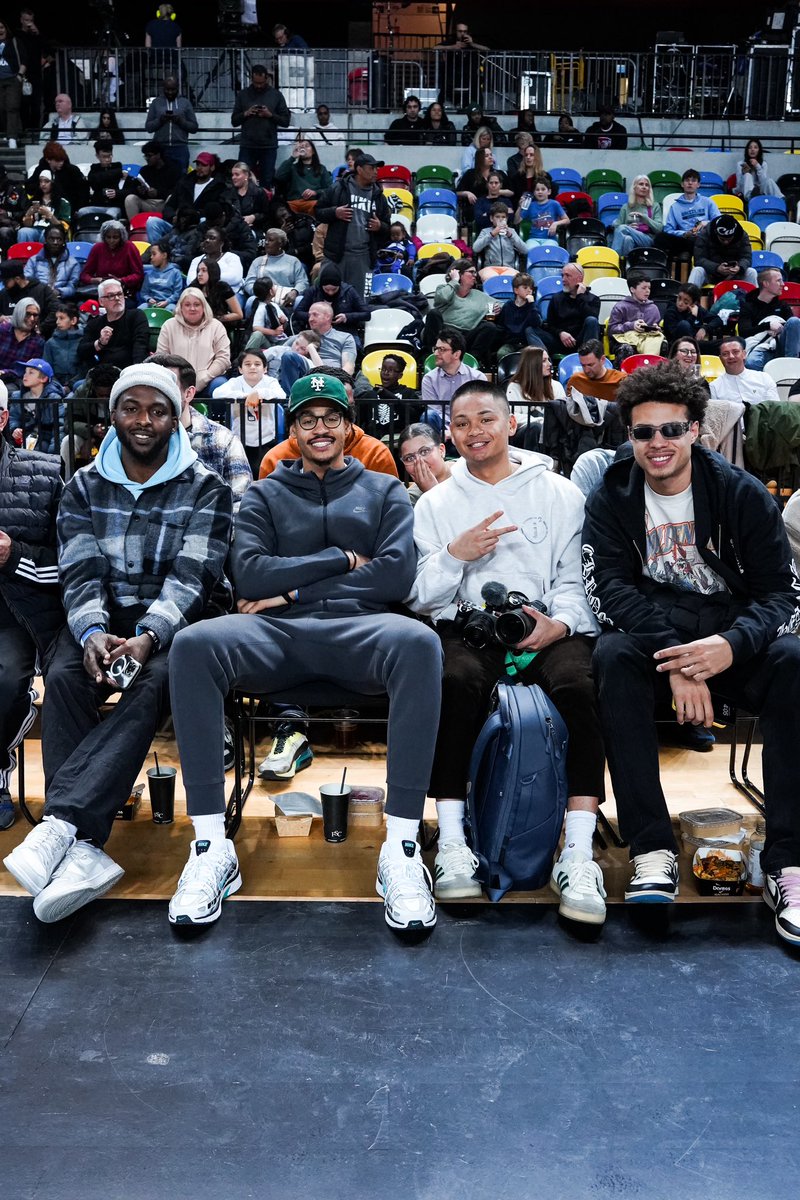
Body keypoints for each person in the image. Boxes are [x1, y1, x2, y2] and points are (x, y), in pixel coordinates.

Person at [167, 371, 443, 931]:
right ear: (291, 430)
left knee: (421, 642)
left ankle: (404, 849)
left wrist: (289, 587)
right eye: (307, 419)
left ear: (349, 426)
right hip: (278, 634)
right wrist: (341, 560)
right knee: (193, 644)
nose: (320, 428)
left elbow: (394, 576)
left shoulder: (385, 489)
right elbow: (248, 573)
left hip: (360, 631)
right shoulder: (264, 493)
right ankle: (209, 847)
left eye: (331, 418)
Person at [3, 363, 233, 925]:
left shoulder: (207, 487)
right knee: (62, 677)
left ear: (176, 418)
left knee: (153, 683)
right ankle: (82, 853)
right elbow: (79, 573)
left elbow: (193, 578)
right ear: (113, 416)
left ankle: (65, 830)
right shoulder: (82, 485)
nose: (144, 421)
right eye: (132, 408)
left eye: (158, 410)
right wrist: (90, 632)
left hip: (182, 623)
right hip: (103, 619)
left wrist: (150, 636)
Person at [582, 361, 800, 944]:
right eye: (643, 432)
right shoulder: (612, 495)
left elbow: (781, 593)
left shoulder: (740, 493)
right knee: (610, 655)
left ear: (696, 431)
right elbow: (613, 592)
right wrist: (681, 661)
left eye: (672, 430)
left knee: (795, 662)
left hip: (731, 642)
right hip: (662, 644)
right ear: (628, 437)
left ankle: (788, 863)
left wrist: (728, 648)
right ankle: (652, 848)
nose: (657, 444)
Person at [408, 382, 607, 924]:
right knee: (450, 682)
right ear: (450, 432)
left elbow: (576, 577)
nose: (475, 431)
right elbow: (420, 595)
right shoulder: (436, 504)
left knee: (583, 685)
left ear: (511, 423)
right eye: (463, 422)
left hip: (546, 625)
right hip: (467, 627)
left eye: (486, 419)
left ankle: (579, 852)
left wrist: (560, 622)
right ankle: (451, 843)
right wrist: (456, 555)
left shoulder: (560, 493)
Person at [0, 382, 63, 829]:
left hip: (16, 608)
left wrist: (12, 554)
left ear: (2, 418)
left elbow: (69, 563)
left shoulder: (44, 473)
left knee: (4, 677)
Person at [149, 352, 252, 512]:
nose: (156, 396)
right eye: (150, 388)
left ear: (189, 393)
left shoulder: (223, 440)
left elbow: (241, 504)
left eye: (167, 388)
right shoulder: (129, 440)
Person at [258, 368, 398, 480]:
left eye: (332, 417)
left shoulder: (375, 453)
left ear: (347, 422)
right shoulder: (275, 459)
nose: (321, 429)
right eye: (309, 421)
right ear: (293, 428)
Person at [316, 153, 391, 297]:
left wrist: (380, 226)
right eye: (372, 168)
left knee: (363, 301)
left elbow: (388, 227)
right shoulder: (338, 188)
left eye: (377, 168)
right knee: (326, 298)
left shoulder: (378, 195)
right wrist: (334, 212)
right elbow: (318, 211)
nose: (376, 172)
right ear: (359, 169)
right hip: (336, 256)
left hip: (363, 258)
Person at [211, 348, 284, 476]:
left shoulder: (270, 382)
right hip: (240, 440)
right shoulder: (235, 382)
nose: (252, 367)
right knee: (242, 475)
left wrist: (259, 394)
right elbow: (216, 393)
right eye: (247, 364)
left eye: (257, 364)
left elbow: (281, 395)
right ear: (240, 369)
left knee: (263, 474)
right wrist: (245, 396)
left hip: (265, 439)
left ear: (265, 368)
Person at [155, 288, 231, 396]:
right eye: (187, 305)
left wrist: (205, 377)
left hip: (208, 381)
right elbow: (161, 358)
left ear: (204, 307)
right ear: (180, 307)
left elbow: (223, 358)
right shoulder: (169, 326)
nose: (192, 308)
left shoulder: (216, 326)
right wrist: (178, 379)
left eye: (197, 304)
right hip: (176, 382)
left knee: (220, 385)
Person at [429, 260, 502, 365]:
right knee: (433, 314)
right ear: (459, 273)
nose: (474, 276)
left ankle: (471, 360)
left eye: (475, 273)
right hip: (443, 333)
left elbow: (502, 305)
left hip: (465, 336)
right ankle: (433, 355)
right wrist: (454, 281)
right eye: (471, 272)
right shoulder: (444, 289)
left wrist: (497, 308)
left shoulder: (479, 295)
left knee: (489, 327)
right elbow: (443, 298)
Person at [420, 327, 486, 438]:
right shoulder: (429, 379)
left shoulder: (477, 378)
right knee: (428, 415)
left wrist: (458, 429)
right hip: (441, 431)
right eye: (435, 349)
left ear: (456, 354)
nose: (436, 353)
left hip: (470, 428)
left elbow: (480, 411)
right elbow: (434, 411)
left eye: (442, 349)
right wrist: (450, 430)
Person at [232, 65, 290, 188]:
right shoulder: (243, 95)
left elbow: (286, 121)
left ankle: (265, 205)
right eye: (256, 82)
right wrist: (246, 113)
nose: (258, 86)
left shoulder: (276, 95)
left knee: (267, 180)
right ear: (251, 79)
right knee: (242, 179)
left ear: (267, 79)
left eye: (261, 83)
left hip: (268, 146)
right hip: (247, 145)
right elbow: (234, 121)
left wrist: (270, 115)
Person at [78, 279, 149, 371]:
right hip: (102, 374)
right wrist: (100, 343)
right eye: (111, 296)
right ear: (101, 301)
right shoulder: (94, 324)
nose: (117, 298)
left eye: (120, 294)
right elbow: (81, 352)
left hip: (130, 371)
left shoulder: (136, 316)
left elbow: (141, 346)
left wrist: (135, 372)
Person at [738, 266, 800, 370]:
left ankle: (790, 365)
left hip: (783, 346)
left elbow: (792, 329)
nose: (783, 284)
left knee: (794, 321)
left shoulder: (782, 306)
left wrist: (779, 328)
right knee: (751, 363)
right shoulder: (748, 306)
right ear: (766, 284)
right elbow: (744, 332)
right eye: (778, 281)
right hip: (762, 346)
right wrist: (768, 326)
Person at [505, 344, 565, 450]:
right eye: (544, 361)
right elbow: (512, 416)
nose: (550, 364)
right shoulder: (515, 387)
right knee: (534, 428)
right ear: (532, 365)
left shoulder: (556, 386)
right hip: (523, 432)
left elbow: (562, 414)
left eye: (548, 360)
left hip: (550, 432)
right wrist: (538, 420)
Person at [654, 169, 720, 262]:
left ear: (698, 185)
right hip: (685, 240)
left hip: (704, 238)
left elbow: (719, 221)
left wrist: (706, 223)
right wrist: (684, 234)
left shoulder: (708, 202)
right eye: (687, 180)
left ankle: (686, 253)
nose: (690, 183)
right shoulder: (675, 207)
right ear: (682, 184)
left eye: (693, 181)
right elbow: (668, 229)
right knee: (660, 237)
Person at [292, 262, 370, 339]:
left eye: (334, 289)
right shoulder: (313, 291)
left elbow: (366, 314)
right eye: (326, 289)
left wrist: (347, 317)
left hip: (344, 332)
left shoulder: (349, 291)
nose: (330, 292)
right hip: (316, 333)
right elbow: (298, 313)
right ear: (321, 286)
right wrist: (315, 316)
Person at [9, 357, 65, 455]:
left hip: (45, 444)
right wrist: (15, 429)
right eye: (25, 372)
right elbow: (13, 418)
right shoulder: (17, 396)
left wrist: (53, 454)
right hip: (23, 441)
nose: (25, 375)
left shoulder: (53, 398)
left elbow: (59, 428)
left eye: (31, 372)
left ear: (44, 378)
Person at [544, 262, 601, 355]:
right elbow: (550, 325)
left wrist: (580, 297)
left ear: (579, 278)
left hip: (582, 342)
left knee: (592, 320)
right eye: (562, 275)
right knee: (531, 330)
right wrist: (560, 333)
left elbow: (591, 321)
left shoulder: (593, 299)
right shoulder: (556, 298)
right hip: (560, 342)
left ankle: (589, 358)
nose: (563, 279)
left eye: (567, 276)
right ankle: (544, 360)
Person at [79, 221, 144, 302]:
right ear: (103, 237)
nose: (111, 240)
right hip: (102, 291)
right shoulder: (97, 248)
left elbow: (138, 275)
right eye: (108, 237)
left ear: (121, 237)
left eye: (115, 237)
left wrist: (121, 280)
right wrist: (95, 280)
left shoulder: (130, 247)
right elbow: (84, 275)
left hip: (124, 292)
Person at [144, 77, 198, 174]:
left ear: (177, 88)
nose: (170, 92)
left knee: (181, 178)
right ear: (163, 89)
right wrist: (160, 120)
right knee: (160, 177)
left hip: (180, 148)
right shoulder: (156, 103)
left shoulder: (185, 103)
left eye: (173, 89)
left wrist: (180, 121)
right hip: (160, 149)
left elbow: (194, 127)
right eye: (167, 89)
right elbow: (148, 127)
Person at [688, 214, 757, 290]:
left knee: (751, 272)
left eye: (729, 239)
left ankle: (755, 301)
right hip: (711, 274)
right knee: (697, 271)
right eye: (722, 239)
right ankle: (689, 297)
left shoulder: (742, 235)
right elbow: (699, 260)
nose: (726, 242)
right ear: (716, 233)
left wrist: (739, 268)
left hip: (735, 275)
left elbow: (747, 258)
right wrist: (716, 268)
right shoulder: (705, 234)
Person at [243, 227, 309, 303]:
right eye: (266, 239)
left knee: (299, 300)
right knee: (250, 301)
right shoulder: (258, 261)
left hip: (286, 297)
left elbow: (302, 282)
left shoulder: (293, 261)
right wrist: (260, 293)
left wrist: (295, 292)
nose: (266, 242)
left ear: (280, 243)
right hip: (263, 297)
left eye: (270, 240)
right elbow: (249, 283)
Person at [710, 335, 780, 405]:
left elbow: (774, 409)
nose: (731, 356)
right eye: (725, 354)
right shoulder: (714, 387)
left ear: (744, 354)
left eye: (735, 352)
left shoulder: (764, 378)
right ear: (720, 359)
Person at [607, 274, 664, 361]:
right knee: (626, 348)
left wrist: (656, 329)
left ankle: (654, 373)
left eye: (649, 288)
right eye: (644, 288)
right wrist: (631, 326)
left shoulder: (653, 308)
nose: (647, 291)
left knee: (663, 344)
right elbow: (611, 330)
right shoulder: (621, 307)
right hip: (623, 339)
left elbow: (658, 328)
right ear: (632, 289)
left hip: (646, 339)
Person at [123, 141, 181, 222]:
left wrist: (158, 193)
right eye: (145, 156)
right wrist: (140, 191)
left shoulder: (173, 170)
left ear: (158, 155)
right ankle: (135, 227)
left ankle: (169, 226)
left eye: (149, 155)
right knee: (130, 199)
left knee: (171, 197)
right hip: (148, 203)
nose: (147, 158)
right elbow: (133, 189)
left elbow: (177, 192)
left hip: (164, 203)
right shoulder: (144, 170)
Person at [610, 176, 663, 259]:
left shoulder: (654, 206)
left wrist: (644, 218)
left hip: (648, 239)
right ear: (634, 187)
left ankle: (613, 259)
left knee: (623, 228)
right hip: (629, 236)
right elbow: (617, 226)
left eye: (647, 185)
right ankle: (628, 266)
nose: (644, 187)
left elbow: (659, 228)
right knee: (628, 239)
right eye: (641, 184)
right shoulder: (626, 207)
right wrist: (629, 227)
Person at [397, 422, 450, 505]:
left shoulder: (468, 471)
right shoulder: (410, 502)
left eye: (424, 451)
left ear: (441, 450)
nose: (419, 461)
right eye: (410, 458)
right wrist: (431, 492)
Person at [29, 143, 89, 214]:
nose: (61, 163)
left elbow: (83, 190)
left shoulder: (72, 170)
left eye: (62, 160)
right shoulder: (40, 170)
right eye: (57, 161)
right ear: (48, 160)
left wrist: (78, 208)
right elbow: (30, 187)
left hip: (69, 208)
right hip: (44, 207)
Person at [24, 227, 80, 302]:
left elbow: (72, 287)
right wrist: (41, 291)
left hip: (61, 300)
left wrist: (59, 291)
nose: (55, 242)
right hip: (36, 299)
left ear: (64, 241)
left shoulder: (73, 263)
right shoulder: (33, 260)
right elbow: (27, 281)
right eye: (51, 239)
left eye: (59, 239)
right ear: (45, 240)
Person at [275, 136, 332, 208]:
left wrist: (315, 192)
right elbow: (278, 177)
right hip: (294, 203)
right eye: (301, 147)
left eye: (307, 146)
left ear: (313, 151)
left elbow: (330, 189)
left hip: (313, 203)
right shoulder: (292, 167)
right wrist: (292, 157)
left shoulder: (321, 168)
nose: (303, 148)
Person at [186, 226, 243, 293]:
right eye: (205, 238)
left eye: (212, 238)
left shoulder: (232, 257)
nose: (207, 240)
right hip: (203, 294)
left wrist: (205, 278)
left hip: (230, 294)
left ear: (221, 243)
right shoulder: (197, 260)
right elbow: (190, 281)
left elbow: (234, 278)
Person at [188, 258, 241, 327]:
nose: (199, 274)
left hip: (217, 325)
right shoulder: (193, 287)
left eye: (204, 270)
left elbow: (238, 314)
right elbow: (178, 310)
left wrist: (216, 319)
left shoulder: (223, 287)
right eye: (198, 271)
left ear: (212, 271)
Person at [472, 203, 527, 270]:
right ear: (491, 218)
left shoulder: (511, 231)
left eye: (503, 217)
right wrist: (492, 234)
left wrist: (510, 236)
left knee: (514, 278)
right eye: (497, 217)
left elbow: (525, 250)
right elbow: (475, 248)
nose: (500, 219)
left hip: (509, 268)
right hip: (491, 268)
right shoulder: (485, 231)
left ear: (506, 219)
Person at [0, 298, 43, 378]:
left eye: (35, 315)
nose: (32, 319)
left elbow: (30, 369)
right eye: (28, 314)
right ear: (19, 313)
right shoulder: (2, 330)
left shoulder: (38, 342)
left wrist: (4, 372)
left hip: (17, 382)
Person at [514, 174, 567, 240]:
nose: (540, 192)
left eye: (543, 189)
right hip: (534, 239)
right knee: (529, 249)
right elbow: (516, 221)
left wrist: (555, 223)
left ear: (549, 192)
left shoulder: (554, 204)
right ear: (534, 192)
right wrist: (519, 207)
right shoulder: (530, 205)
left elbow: (567, 220)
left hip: (550, 239)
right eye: (537, 190)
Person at [0, 20, 26, 149]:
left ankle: (12, 137)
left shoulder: (14, 42)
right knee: (2, 107)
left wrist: (19, 76)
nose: (0, 30)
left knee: (12, 106)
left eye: (2, 27)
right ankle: (10, 132)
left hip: (12, 79)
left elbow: (24, 60)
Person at [43, 302, 81, 388]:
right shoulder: (50, 343)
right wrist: (58, 386)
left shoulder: (83, 341)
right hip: (55, 384)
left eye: (61, 318)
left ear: (73, 321)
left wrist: (70, 385)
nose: (57, 322)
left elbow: (85, 368)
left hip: (77, 385)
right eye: (57, 318)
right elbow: (47, 368)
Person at [140, 240, 184, 311]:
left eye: (154, 254)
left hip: (169, 303)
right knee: (140, 310)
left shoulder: (175, 273)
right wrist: (148, 299)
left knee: (171, 309)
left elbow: (177, 293)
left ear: (164, 255)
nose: (151, 257)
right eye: (151, 254)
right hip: (151, 304)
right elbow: (144, 293)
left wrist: (167, 301)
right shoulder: (149, 274)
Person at [229, 161, 270, 234]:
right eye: (232, 175)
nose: (233, 177)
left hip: (254, 229)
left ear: (246, 175)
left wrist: (254, 217)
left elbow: (266, 214)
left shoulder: (258, 192)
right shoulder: (228, 192)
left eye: (237, 175)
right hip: (232, 228)